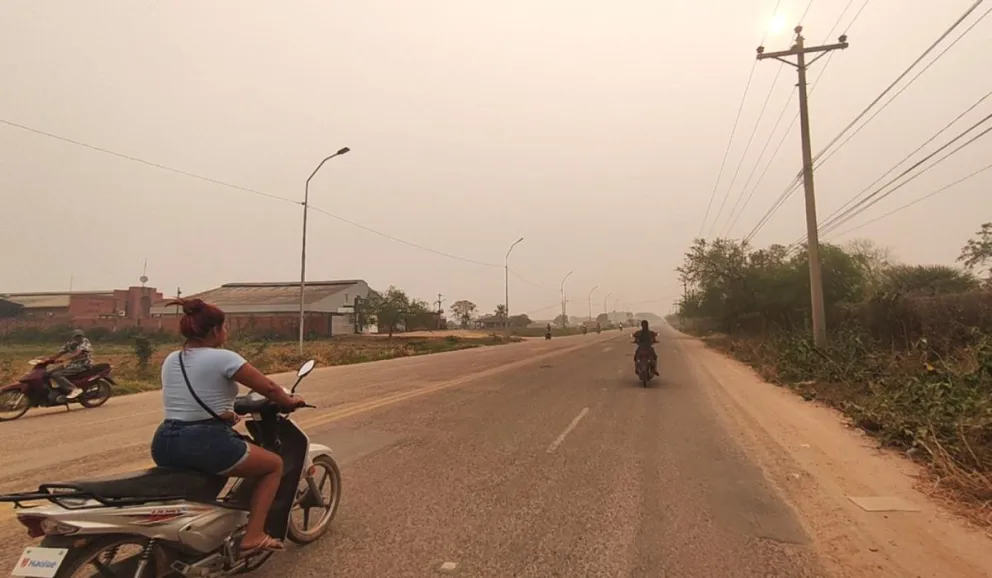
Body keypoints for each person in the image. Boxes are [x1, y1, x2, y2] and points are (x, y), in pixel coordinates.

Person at [150, 298, 305, 554]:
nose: (226, 331)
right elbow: (268, 388)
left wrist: (225, 415)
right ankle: (254, 535)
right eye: (225, 326)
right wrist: (289, 401)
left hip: (165, 440)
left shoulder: (172, 359)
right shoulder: (224, 358)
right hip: (204, 442)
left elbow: (192, 398)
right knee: (273, 465)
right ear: (215, 330)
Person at [48, 329, 93, 399]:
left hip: (83, 365)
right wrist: (48, 359)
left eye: (80, 336)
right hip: (73, 364)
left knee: (56, 375)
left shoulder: (85, 342)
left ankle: (74, 389)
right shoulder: (71, 344)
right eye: (76, 336)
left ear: (83, 336)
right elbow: (60, 352)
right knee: (49, 372)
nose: (78, 338)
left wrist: (65, 358)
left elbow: (78, 353)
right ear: (73, 337)